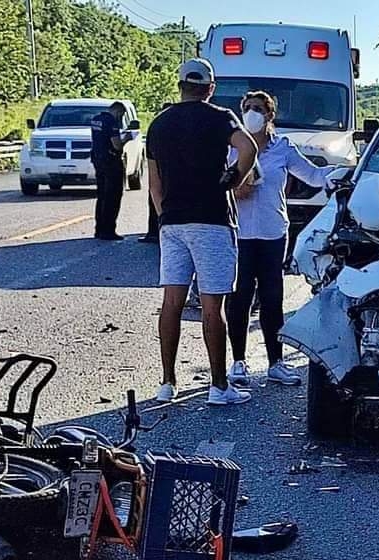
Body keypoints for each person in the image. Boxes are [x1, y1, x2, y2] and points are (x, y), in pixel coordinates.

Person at [146, 58, 258, 405]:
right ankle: (219, 386)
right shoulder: (220, 117)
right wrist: (234, 177)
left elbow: (154, 184)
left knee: (172, 302)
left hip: (173, 222)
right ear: (210, 88)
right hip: (211, 219)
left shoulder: (159, 124)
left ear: (180, 86)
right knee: (212, 306)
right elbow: (249, 148)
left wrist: (166, 217)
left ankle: (167, 382)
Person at [226, 91, 335, 387]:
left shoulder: (282, 148)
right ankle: (238, 361)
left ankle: (276, 362)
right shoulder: (231, 149)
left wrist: (343, 174)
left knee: (272, 297)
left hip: (273, 231)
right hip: (239, 232)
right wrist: (233, 188)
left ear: (270, 115)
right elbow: (214, 181)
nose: (252, 113)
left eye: (258, 109)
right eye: (247, 108)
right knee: (240, 296)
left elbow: (313, 176)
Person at [90, 102, 133, 240]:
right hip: (111, 161)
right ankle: (108, 230)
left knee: (102, 195)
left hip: (98, 159)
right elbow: (116, 145)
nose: (121, 118)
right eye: (121, 114)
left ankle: (99, 229)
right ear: (117, 111)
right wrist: (126, 138)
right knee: (113, 196)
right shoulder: (111, 122)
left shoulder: (97, 119)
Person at [139, 103, 173, 245]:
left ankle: (157, 231)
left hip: (163, 173)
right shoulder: (170, 127)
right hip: (166, 172)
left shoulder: (159, 127)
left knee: (156, 200)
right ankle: (155, 231)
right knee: (155, 201)